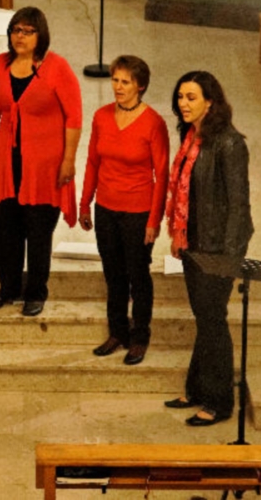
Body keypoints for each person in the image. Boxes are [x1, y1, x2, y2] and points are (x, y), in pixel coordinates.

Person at [163, 71, 252, 427]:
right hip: (193, 243)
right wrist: (179, 234)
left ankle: (219, 402)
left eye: (191, 98)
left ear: (210, 102)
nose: (183, 104)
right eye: (180, 97)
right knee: (205, 318)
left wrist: (228, 259)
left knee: (213, 320)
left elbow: (239, 206)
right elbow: (184, 192)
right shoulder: (190, 135)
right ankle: (197, 389)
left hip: (218, 249)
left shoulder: (230, 143)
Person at [0, 6, 82, 316]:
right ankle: (8, 288)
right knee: (6, 227)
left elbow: (74, 118)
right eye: (16, 30)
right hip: (7, 161)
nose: (20, 36)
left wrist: (69, 159)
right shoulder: (1, 64)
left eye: (27, 31)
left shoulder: (57, 67)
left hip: (44, 165)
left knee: (38, 230)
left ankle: (36, 292)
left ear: (41, 35)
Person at [79, 55, 169, 366]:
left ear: (140, 86)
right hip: (106, 208)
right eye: (115, 80)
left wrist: (154, 220)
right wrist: (85, 203)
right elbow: (93, 162)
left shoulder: (153, 123)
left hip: (138, 211)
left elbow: (162, 175)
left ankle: (140, 337)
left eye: (125, 82)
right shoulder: (101, 116)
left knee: (138, 275)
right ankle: (117, 332)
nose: (118, 86)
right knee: (113, 273)